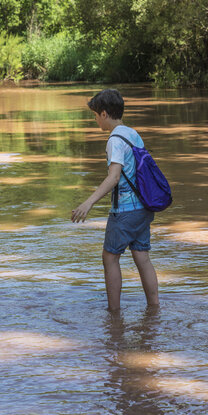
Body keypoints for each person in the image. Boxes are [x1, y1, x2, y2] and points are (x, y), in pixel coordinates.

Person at [71, 88, 159, 311]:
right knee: (142, 258)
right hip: (144, 207)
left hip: (126, 210)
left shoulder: (114, 140)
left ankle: (114, 314)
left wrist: (88, 202)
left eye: (95, 115)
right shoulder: (132, 134)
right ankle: (154, 309)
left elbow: (114, 177)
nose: (95, 120)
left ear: (104, 114)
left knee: (109, 258)